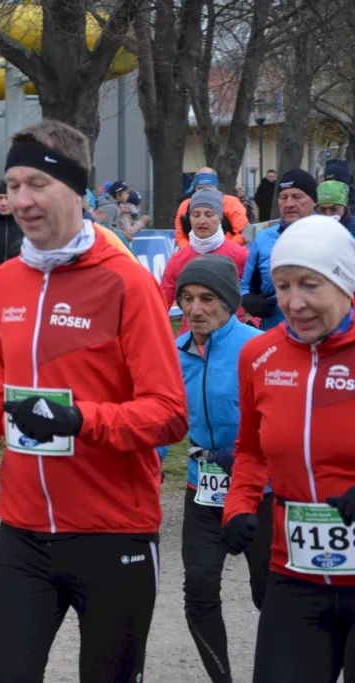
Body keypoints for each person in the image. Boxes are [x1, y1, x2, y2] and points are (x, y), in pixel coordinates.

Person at [0, 121, 188, 683]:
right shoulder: (5, 280)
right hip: (23, 531)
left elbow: (170, 413)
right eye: (11, 185)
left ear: (76, 188)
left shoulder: (125, 282)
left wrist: (81, 420)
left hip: (111, 531)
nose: (20, 201)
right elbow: (11, 376)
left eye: (36, 184)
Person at [223, 215, 355, 683]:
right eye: (282, 286)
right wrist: (238, 507)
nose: (294, 303)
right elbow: (251, 450)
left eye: (310, 285)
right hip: (296, 572)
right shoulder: (258, 355)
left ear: (345, 282)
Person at [173, 257, 270, 683]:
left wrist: (248, 455)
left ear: (229, 303)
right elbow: (163, 421)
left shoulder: (257, 348)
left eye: (207, 299)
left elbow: (281, 420)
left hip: (261, 492)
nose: (196, 309)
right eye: (187, 299)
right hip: (203, 488)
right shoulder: (175, 352)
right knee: (198, 587)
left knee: (271, 594)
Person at [160, 188, 249, 333]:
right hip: (191, 338)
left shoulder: (240, 255)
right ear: (189, 218)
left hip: (231, 337)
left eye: (209, 215)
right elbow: (161, 305)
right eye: (196, 215)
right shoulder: (178, 259)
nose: (202, 221)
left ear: (220, 218)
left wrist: (253, 325)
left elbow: (256, 294)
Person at [241, 168, 318, 330]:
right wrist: (250, 302)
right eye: (284, 197)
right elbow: (246, 287)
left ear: (314, 200)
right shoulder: (263, 239)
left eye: (297, 197)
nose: (289, 203)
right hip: (275, 336)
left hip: (323, 338)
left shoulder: (334, 235)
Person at [175, 169, 249, 248]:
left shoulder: (231, 203)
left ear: (216, 187)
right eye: (200, 188)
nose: (205, 192)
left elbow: (243, 233)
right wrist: (191, 253)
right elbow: (180, 236)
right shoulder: (185, 205)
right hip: (194, 254)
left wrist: (224, 250)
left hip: (225, 254)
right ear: (195, 189)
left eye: (209, 188)